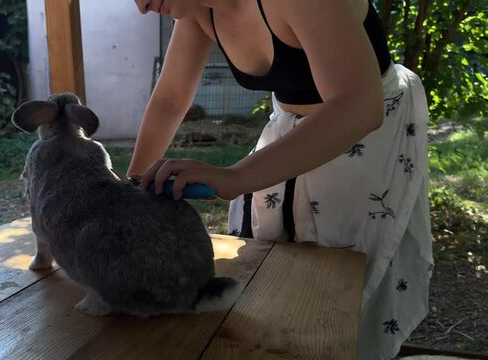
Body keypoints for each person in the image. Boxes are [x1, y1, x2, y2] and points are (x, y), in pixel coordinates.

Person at [127, 0, 433, 358]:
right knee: (273, 276)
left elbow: (359, 106)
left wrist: (238, 176)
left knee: (344, 290)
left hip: (370, 132)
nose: (142, 6)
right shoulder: (197, 9)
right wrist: (128, 190)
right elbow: (170, 98)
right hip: (291, 132)